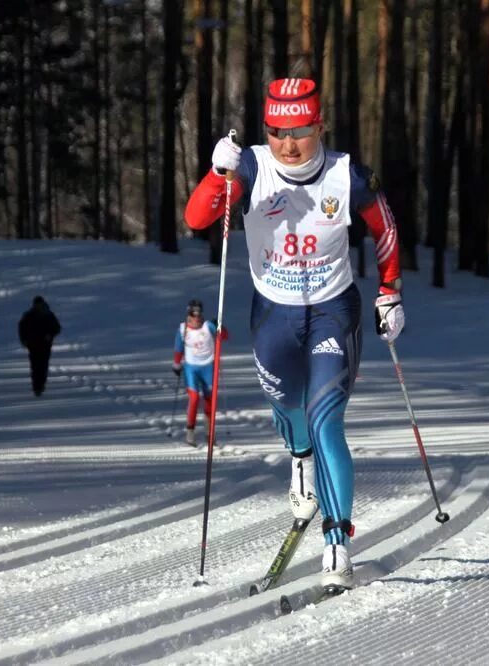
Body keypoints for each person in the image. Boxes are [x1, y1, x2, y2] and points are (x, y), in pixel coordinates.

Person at [183, 77, 405, 592]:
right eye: (278, 131)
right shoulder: (252, 168)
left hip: (333, 312)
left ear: (318, 126)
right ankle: (299, 461)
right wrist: (219, 174)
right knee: (288, 410)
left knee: (326, 417)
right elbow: (197, 217)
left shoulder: (348, 176)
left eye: (300, 131)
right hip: (273, 315)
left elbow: (386, 230)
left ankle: (337, 541)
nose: (289, 143)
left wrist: (389, 290)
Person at [171, 299, 228, 446]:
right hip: (192, 369)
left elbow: (224, 337)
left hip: (208, 367)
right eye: (193, 315)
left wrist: (220, 326)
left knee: (210, 401)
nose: (196, 318)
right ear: (188, 315)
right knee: (194, 398)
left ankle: (210, 434)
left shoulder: (208, 326)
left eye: (198, 315)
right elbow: (178, 349)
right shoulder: (183, 329)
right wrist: (176, 365)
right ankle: (190, 432)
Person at [18, 296, 62, 397]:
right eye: (36, 305)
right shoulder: (29, 315)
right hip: (33, 345)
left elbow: (57, 328)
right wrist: (24, 340)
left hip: (45, 345)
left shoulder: (48, 315)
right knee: (35, 366)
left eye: (39, 304)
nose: (38, 306)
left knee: (42, 365)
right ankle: (36, 386)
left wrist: (50, 335)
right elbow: (22, 328)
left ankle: (40, 385)